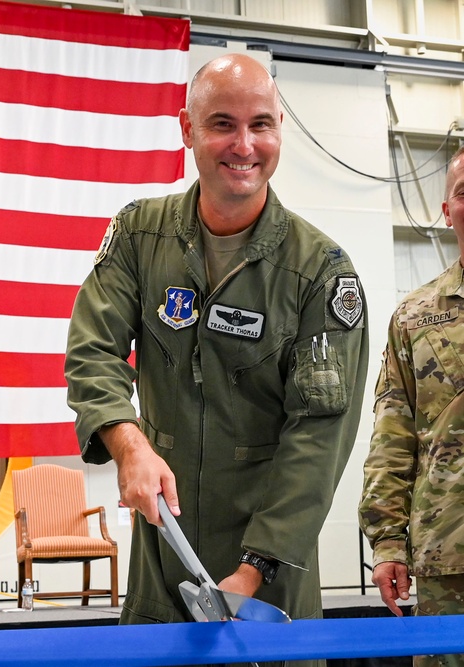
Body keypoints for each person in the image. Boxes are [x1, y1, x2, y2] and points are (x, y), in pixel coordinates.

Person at [64, 53, 369, 650]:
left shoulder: (320, 274)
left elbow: (317, 441)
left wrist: (253, 572)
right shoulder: (138, 236)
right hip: (163, 555)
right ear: (187, 130)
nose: (245, 144)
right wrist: (129, 446)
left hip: (270, 576)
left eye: (261, 124)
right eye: (223, 123)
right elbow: (92, 351)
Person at [359, 146, 464, 667]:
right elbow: (392, 437)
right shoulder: (414, 317)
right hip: (446, 556)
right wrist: (387, 543)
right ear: (447, 210)